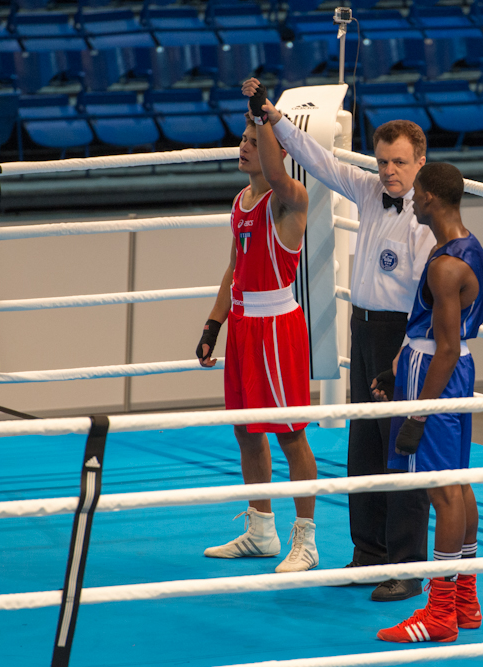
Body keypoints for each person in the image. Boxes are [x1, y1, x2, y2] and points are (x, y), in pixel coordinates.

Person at [241, 77, 435, 602]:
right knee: (363, 449)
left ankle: (406, 566)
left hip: (405, 340)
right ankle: (368, 553)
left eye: (398, 163)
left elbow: (427, 302)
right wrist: (271, 117)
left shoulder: (426, 219)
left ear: (420, 162)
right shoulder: (370, 190)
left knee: (401, 453)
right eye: (383, 161)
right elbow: (319, 160)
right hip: (365, 328)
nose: (389, 171)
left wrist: (397, 361)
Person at [194, 89, 319, 574]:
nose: (244, 146)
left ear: (278, 148)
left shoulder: (290, 200)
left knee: (290, 435)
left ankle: (305, 540)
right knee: (246, 430)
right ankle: (261, 530)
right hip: (245, 325)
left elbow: (277, 174)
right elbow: (234, 268)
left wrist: (267, 117)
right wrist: (213, 323)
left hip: (277, 329)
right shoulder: (241, 200)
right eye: (242, 138)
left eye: (254, 139)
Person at [371, 162, 483, 643]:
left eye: (418, 193)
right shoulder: (469, 248)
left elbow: (439, 348)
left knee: (441, 492)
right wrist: (394, 370)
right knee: (458, 486)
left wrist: (417, 412)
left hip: (436, 373)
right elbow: (440, 336)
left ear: (434, 199)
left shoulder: (444, 266)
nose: (413, 200)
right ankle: (464, 600)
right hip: (456, 368)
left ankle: (439, 612)